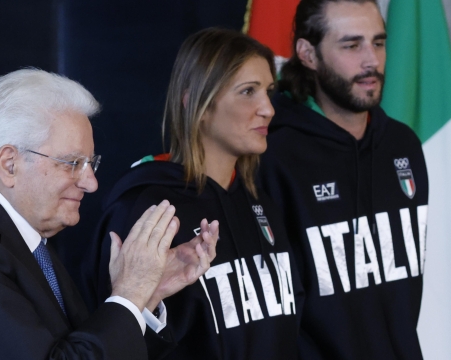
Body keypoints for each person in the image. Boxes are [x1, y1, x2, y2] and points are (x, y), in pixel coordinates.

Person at [0, 69, 218, 360]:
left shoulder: (30, 240)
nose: (91, 183)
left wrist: (148, 293)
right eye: (72, 163)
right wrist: (131, 292)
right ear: (9, 164)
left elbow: (77, 348)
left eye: (91, 164)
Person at [90, 28, 304, 359]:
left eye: (269, 91)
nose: (268, 109)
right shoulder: (145, 208)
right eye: (248, 91)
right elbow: (113, 342)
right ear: (198, 105)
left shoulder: (261, 202)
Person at [258, 1, 429, 359]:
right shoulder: (271, 154)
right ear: (308, 53)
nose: (372, 61)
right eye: (352, 45)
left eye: (378, 43)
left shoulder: (402, 144)